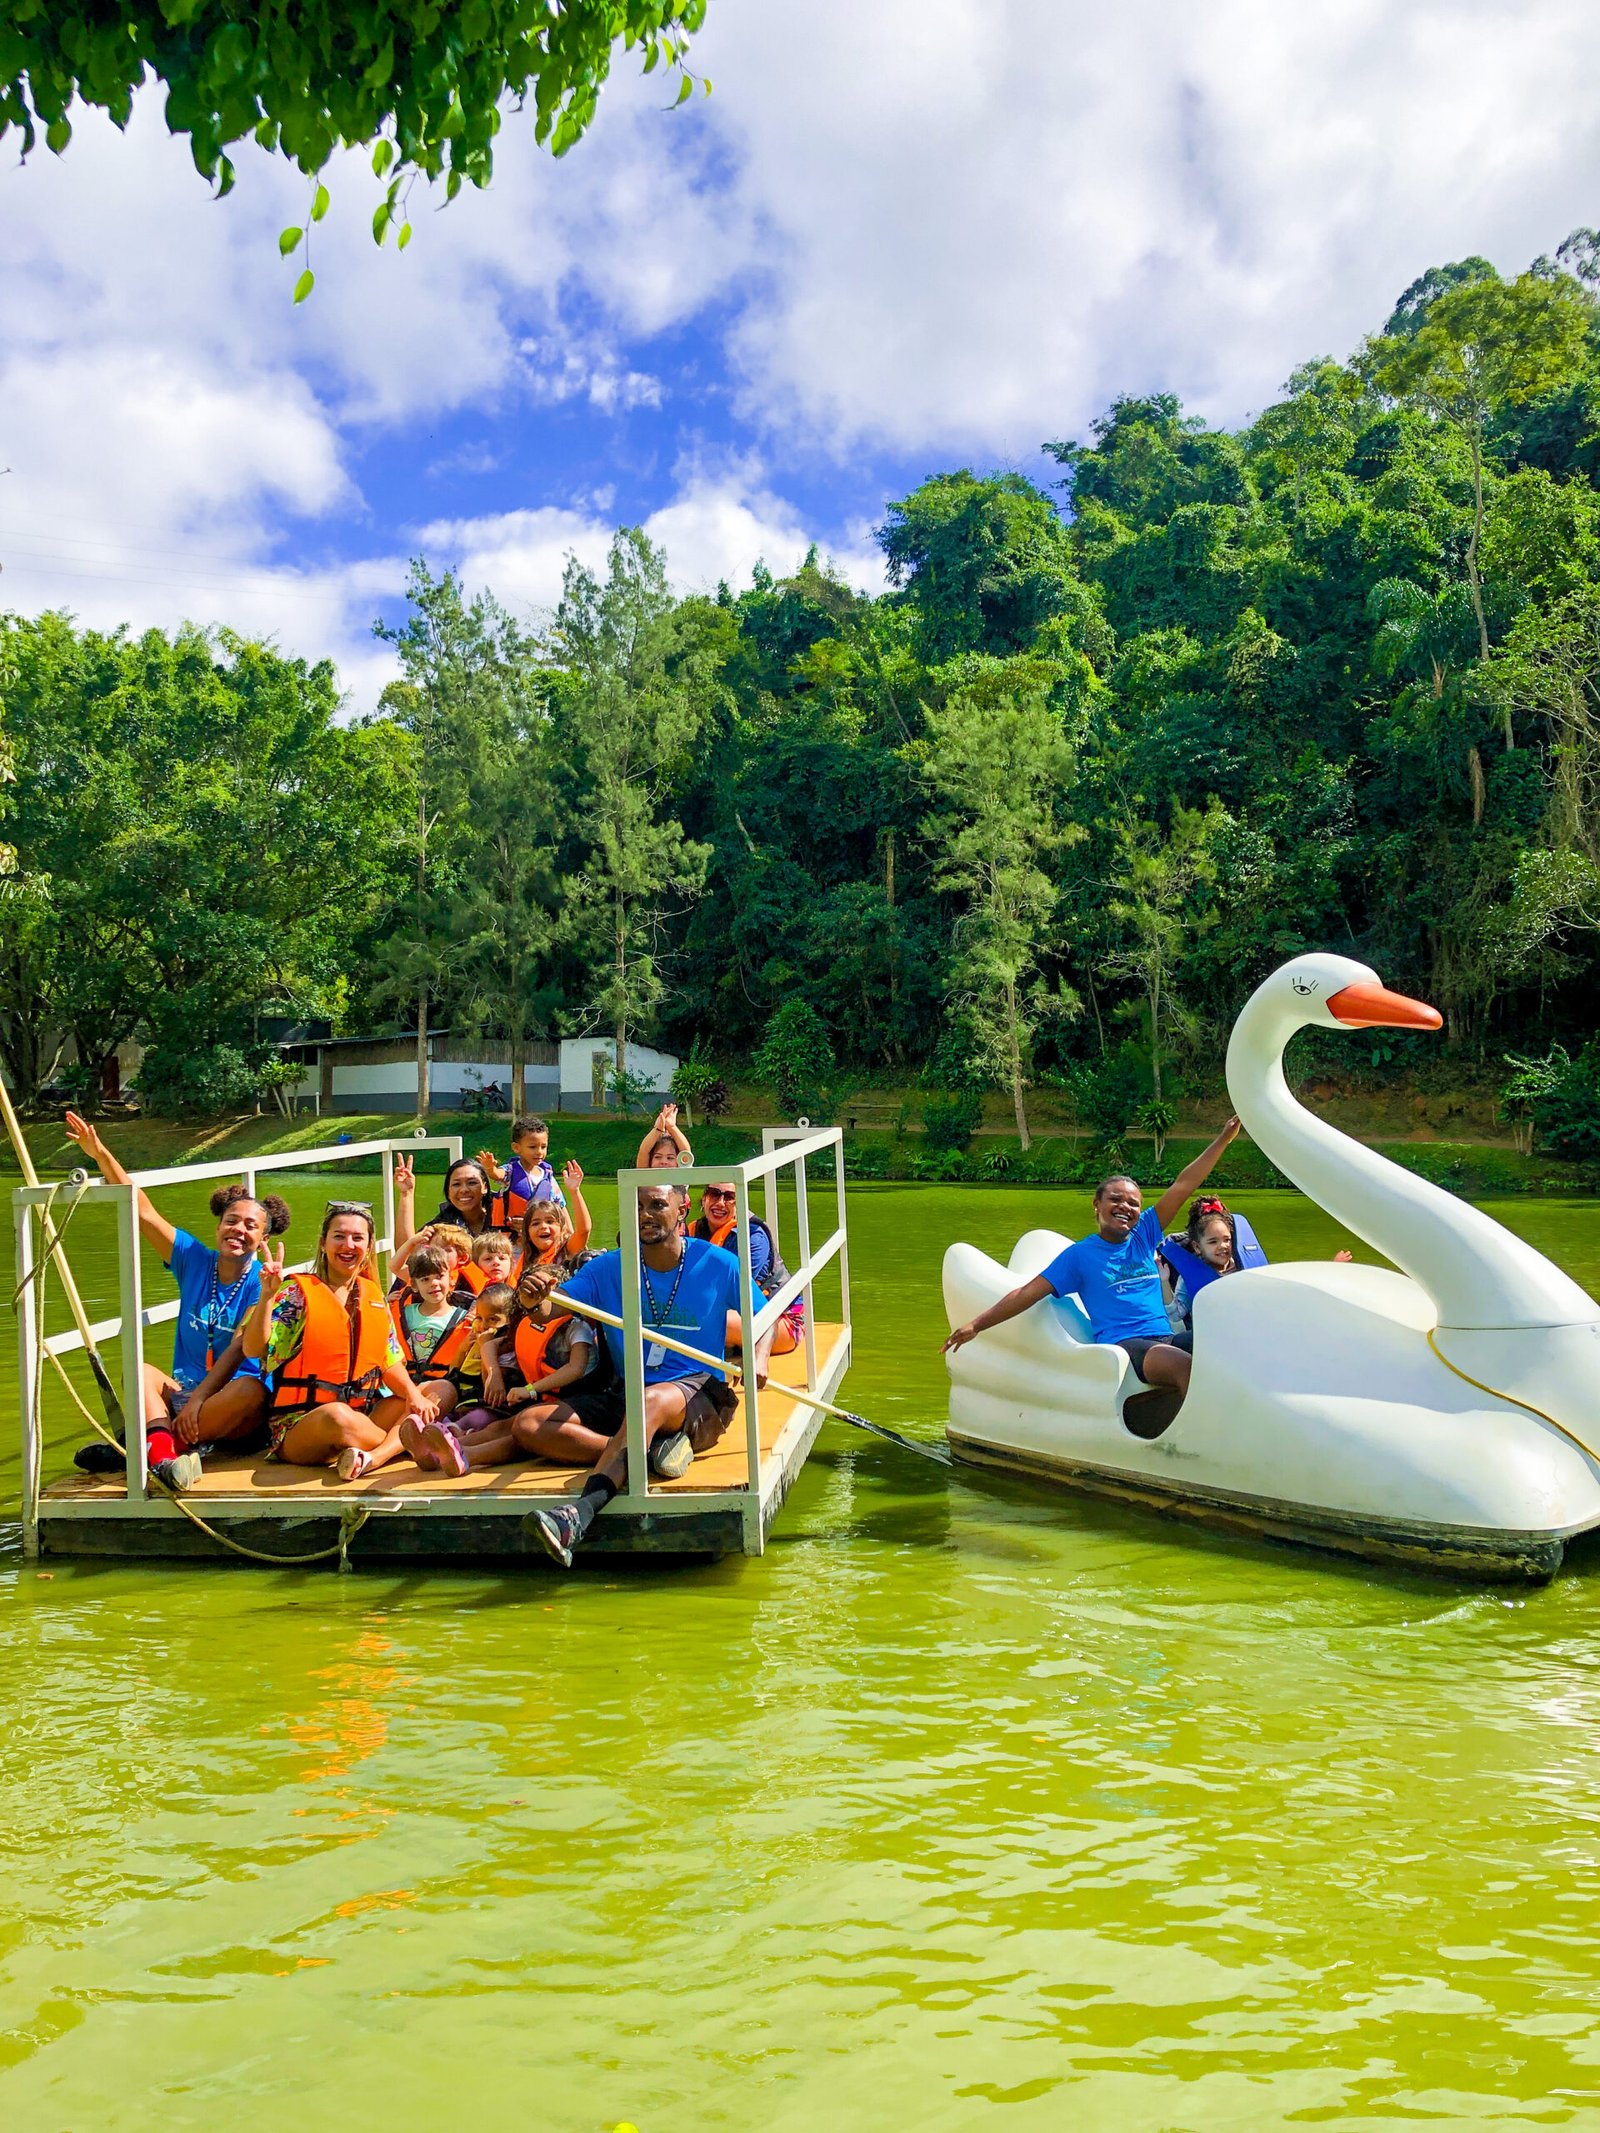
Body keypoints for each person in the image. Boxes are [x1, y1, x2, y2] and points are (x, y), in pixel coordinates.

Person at [525, 1179, 756, 1569]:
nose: (645, 1215)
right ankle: (647, 1451)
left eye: (656, 1205)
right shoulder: (607, 1267)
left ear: (682, 1209)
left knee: (648, 1402)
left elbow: (764, 1318)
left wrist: (758, 1359)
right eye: (636, 1207)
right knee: (529, 1424)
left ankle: (578, 1514)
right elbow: (550, 1309)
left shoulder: (719, 1263)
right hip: (631, 1388)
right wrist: (533, 1298)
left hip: (699, 1394)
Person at [63, 1110, 291, 1492]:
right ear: (218, 1226)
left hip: (231, 1407)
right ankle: (165, 1458)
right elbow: (143, 1211)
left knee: (252, 1391)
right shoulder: (193, 1258)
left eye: (251, 1226)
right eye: (231, 1221)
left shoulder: (262, 1281)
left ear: (264, 1238)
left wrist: (199, 1400)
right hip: (182, 1395)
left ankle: (146, 1450)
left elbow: (239, 1351)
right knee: (139, 1370)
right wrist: (99, 1153)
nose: (238, 1230)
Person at [943, 1118, 1244, 1406]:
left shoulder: (1144, 1233)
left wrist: (1224, 1139)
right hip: (1126, 1345)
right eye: (1115, 1199)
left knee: (1228, 1343)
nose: (1125, 1206)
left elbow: (1183, 1185)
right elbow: (1026, 1293)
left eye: (1133, 1203)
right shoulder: (1079, 1256)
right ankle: (1203, 1437)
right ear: (1097, 1204)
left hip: (1165, 1336)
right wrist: (976, 1325)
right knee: (1183, 1365)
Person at [243, 1202, 440, 1479]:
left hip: (364, 1412)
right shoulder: (296, 1293)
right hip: (303, 1424)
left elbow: (389, 1361)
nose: (348, 1245)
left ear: (369, 1247)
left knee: (434, 1390)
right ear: (323, 1243)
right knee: (337, 1416)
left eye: (358, 1238)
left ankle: (375, 1456)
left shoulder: (373, 1295)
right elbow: (253, 1349)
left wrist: (413, 1395)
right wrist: (266, 1296)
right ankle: (409, 1445)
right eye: (339, 1236)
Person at [1159, 1195, 1352, 1331]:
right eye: (1213, 1242)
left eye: (1227, 1240)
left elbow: (1287, 1289)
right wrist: (1164, 1281)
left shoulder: (1244, 1265)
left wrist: (1331, 1267)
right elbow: (1175, 1314)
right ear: (1197, 1247)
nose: (1222, 1246)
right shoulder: (1189, 1277)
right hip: (1215, 1337)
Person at [692, 1183, 803, 1355]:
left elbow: (730, 1291)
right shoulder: (694, 1231)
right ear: (704, 1198)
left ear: (740, 1202)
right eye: (714, 1194)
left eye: (729, 1197)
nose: (720, 1203)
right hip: (734, 1314)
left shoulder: (753, 1236)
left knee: (705, 1318)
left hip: (779, 1320)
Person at [477, 1116, 566, 1221]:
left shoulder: (548, 1176)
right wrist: (490, 1169)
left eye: (543, 1147)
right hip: (510, 1230)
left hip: (540, 1230)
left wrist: (568, 1229)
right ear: (516, 1148)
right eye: (532, 1147)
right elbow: (497, 1175)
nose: (539, 1152)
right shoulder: (511, 1171)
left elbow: (560, 1206)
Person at [637, 1101, 694, 1170]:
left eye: (670, 1158)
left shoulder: (684, 1172)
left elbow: (686, 1153)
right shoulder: (644, 1173)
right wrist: (657, 1129)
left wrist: (672, 1127)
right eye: (657, 1157)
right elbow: (644, 1151)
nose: (664, 1162)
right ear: (650, 1160)